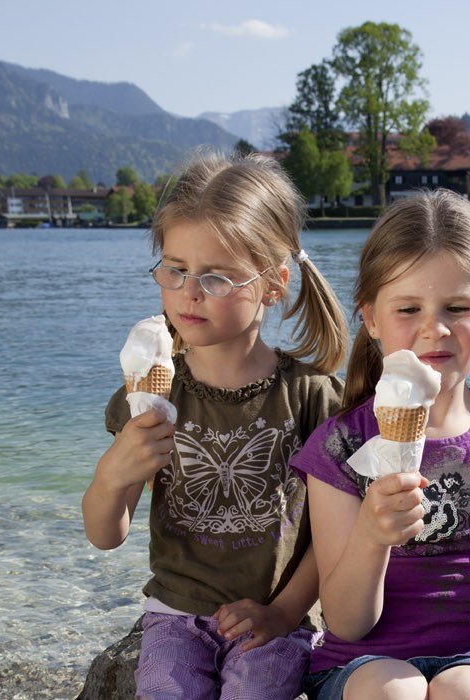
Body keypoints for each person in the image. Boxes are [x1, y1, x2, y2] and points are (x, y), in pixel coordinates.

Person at [82, 149, 348, 700]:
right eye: (174, 269)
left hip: (274, 618)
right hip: (174, 613)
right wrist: (113, 475)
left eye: (217, 278)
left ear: (274, 284)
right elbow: (105, 535)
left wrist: (284, 612)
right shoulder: (147, 392)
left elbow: (334, 535)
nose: (189, 292)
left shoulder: (311, 397)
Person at [291, 189, 470, 700]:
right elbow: (348, 622)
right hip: (361, 662)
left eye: (457, 307)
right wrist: (372, 536)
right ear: (370, 317)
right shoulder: (339, 447)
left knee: (468, 691)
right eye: (408, 308)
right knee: (395, 691)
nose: (433, 329)